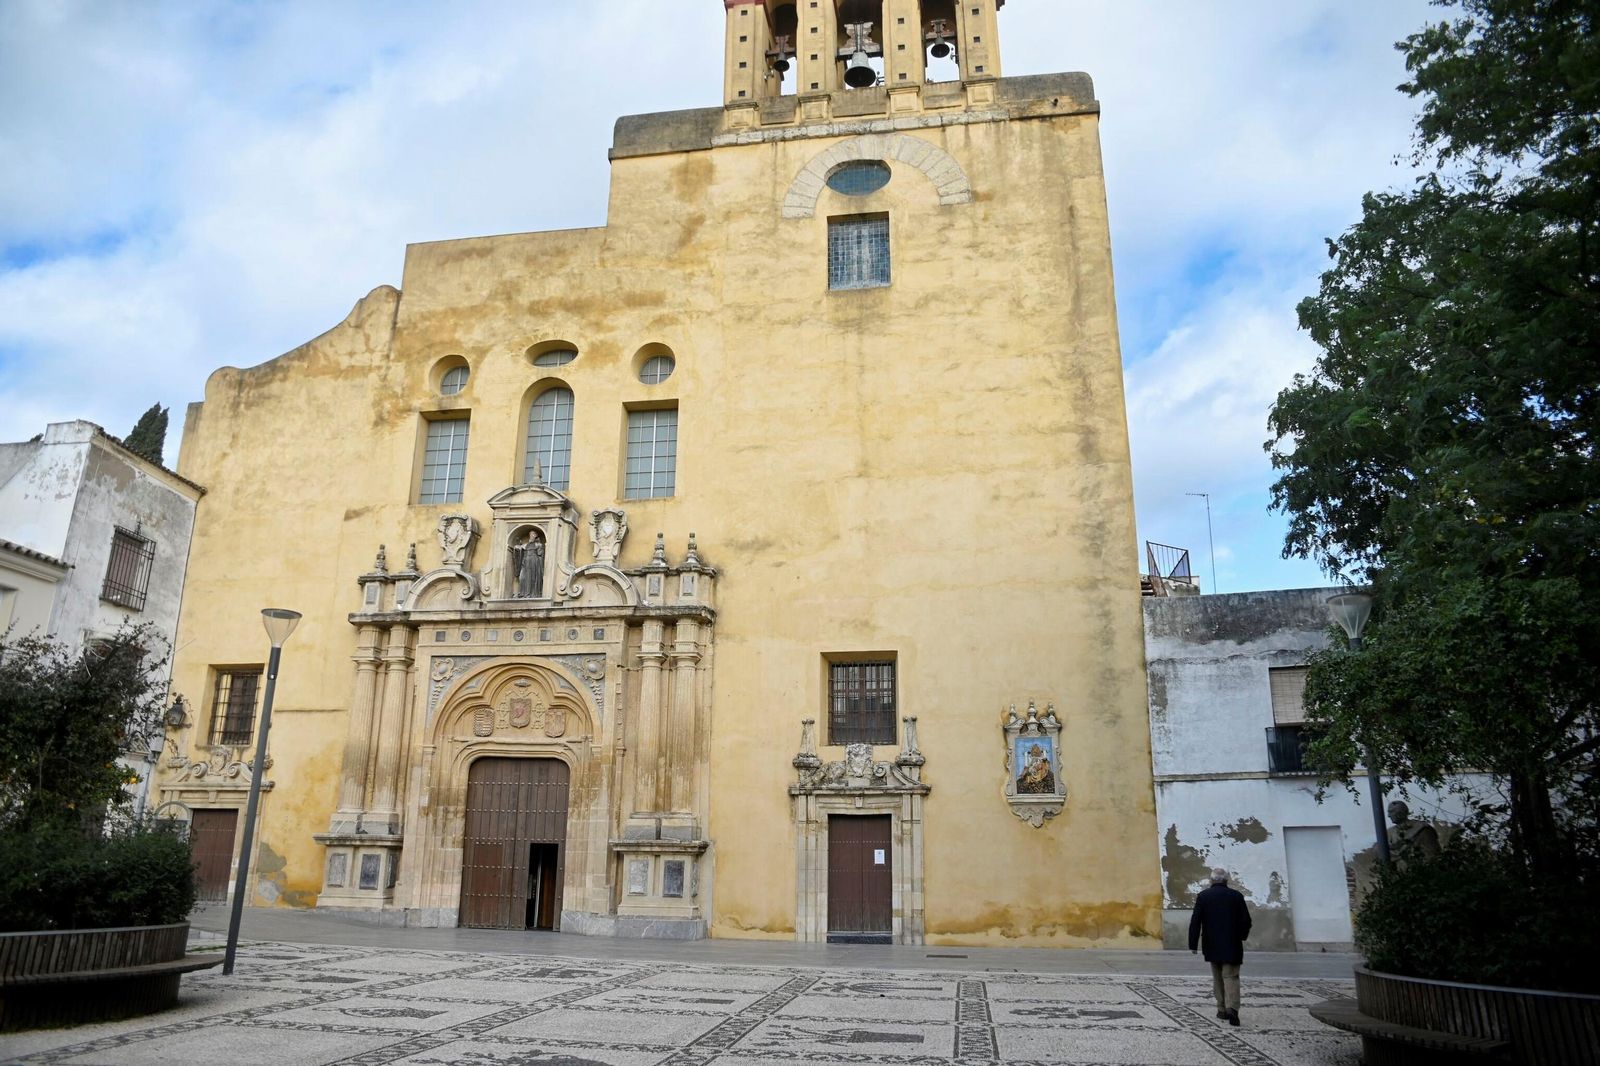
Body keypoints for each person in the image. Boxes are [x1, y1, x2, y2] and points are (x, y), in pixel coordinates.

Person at [1189, 866, 1252, 1026]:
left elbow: (1196, 921)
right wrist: (1241, 936)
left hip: (1211, 943)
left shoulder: (1203, 896)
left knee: (1217, 977)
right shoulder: (1236, 896)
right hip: (1232, 943)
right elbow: (1246, 921)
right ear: (1226, 880)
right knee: (1231, 976)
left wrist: (1193, 944)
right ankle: (1233, 1009)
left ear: (1211, 880)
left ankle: (1222, 1009)